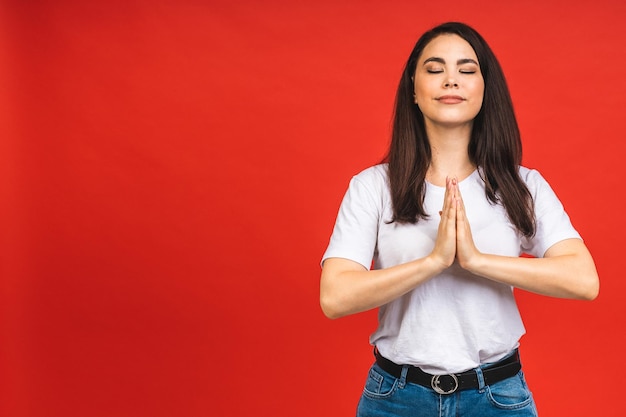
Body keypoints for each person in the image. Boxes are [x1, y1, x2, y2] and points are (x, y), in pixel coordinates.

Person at [320, 22, 599, 417]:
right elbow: (334, 297)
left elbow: (584, 281)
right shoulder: (373, 187)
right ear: (413, 90)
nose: (451, 80)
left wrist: (475, 260)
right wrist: (433, 262)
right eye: (435, 70)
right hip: (396, 398)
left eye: (467, 70)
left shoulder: (521, 185)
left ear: (486, 90)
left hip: (498, 397)